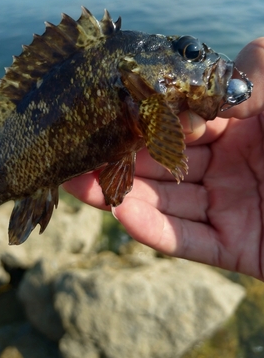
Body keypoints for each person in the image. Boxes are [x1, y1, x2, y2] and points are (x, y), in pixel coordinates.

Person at [63, 38, 264, 280]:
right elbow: (155, 119)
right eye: (192, 53)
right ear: (133, 69)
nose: (207, 61)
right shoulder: (138, 89)